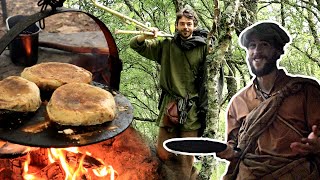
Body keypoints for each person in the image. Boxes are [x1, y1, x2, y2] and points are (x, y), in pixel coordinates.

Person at [216, 21, 320, 179]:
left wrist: (317, 145)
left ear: (278, 51)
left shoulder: (304, 90)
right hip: (249, 174)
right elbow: (235, 147)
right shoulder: (239, 102)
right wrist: (228, 151)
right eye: (252, 45)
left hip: (296, 173)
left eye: (264, 44)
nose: (257, 51)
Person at [130, 7, 209, 180]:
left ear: (194, 26)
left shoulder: (204, 47)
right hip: (169, 105)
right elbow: (136, 45)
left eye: (189, 24)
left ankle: (188, 178)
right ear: (176, 25)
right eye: (182, 24)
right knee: (163, 152)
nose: (185, 27)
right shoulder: (167, 45)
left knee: (187, 155)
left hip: (192, 109)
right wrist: (146, 35)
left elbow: (212, 76)